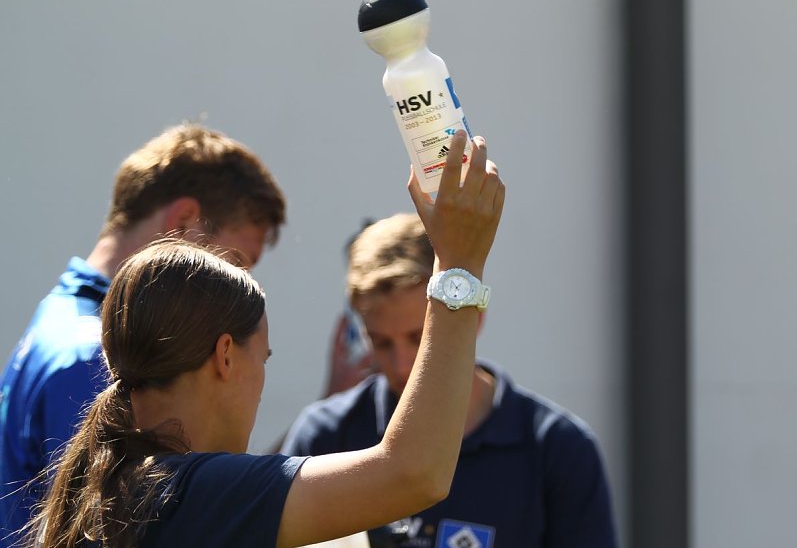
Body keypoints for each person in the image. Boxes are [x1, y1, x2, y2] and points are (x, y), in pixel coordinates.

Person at [27, 130, 504, 548]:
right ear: (226, 356)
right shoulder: (198, 491)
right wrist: (459, 264)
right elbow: (414, 472)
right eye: (265, 359)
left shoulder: (100, 484)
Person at [0, 123, 286, 546]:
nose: (238, 286)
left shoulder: (60, 317)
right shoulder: (92, 353)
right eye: (234, 262)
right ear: (183, 221)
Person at [281, 214, 618, 548]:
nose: (401, 366)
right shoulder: (326, 437)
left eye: (419, 338)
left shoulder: (558, 450)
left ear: (474, 316)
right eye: (380, 342)